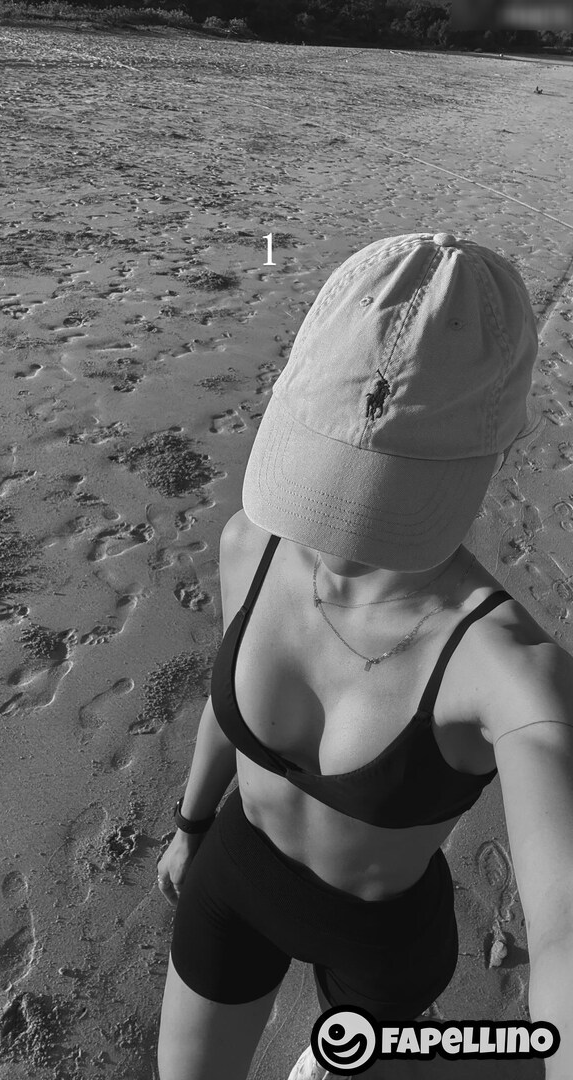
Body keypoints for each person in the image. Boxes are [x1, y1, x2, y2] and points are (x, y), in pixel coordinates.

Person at [155, 232, 573, 1080]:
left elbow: (564, 921)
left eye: (391, 493)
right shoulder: (251, 544)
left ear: (494, 453)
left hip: (383, 944)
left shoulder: (510, 673)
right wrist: (190, 826)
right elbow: (224, 705)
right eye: (330, 472)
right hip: (234, 882)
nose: (338, 536)